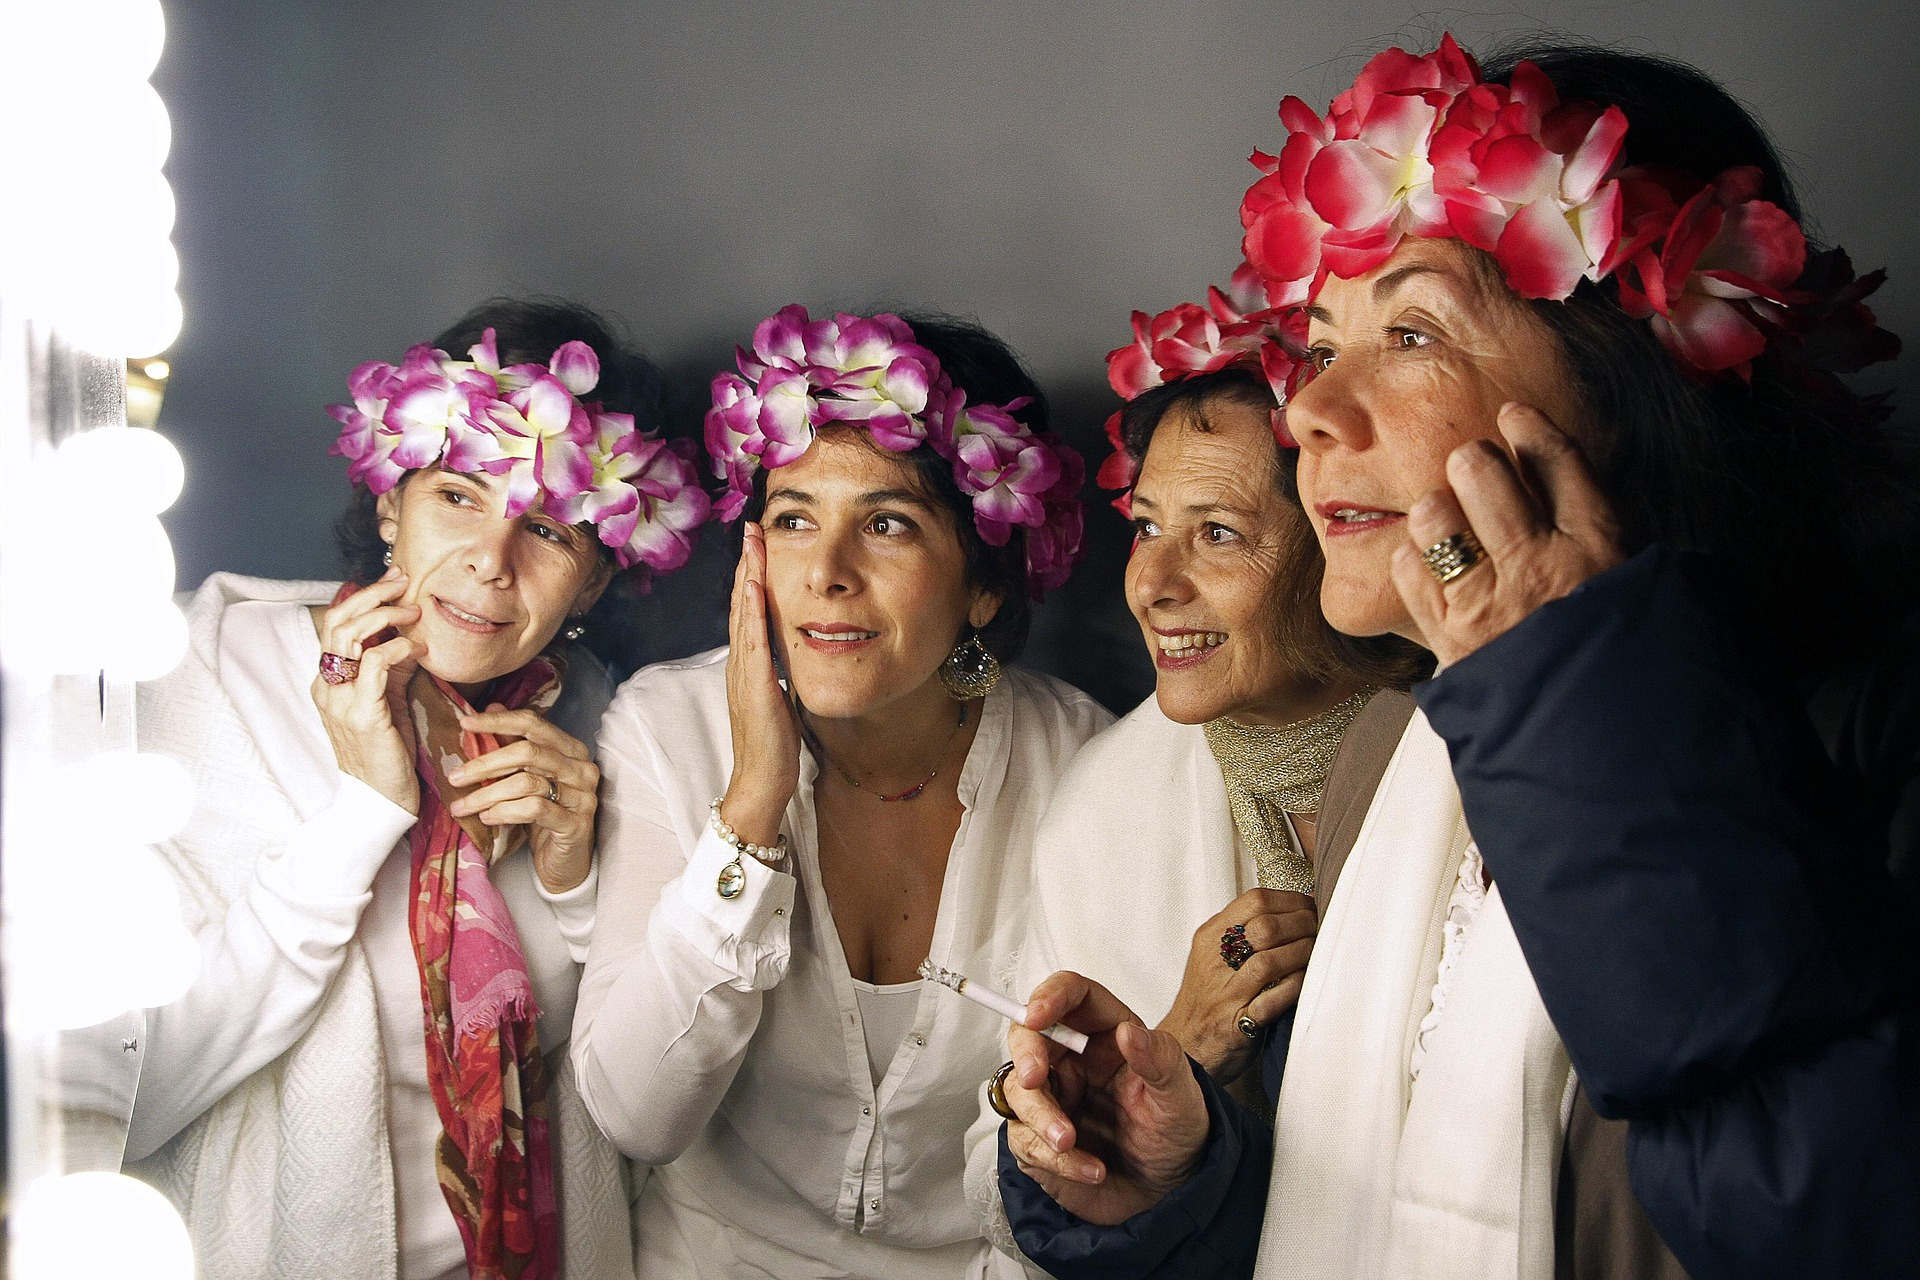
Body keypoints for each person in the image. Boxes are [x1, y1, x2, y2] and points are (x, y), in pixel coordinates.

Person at [994, 37, 1918, 1280]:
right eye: (1324, 345)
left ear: (1631, 391)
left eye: (1416, 331)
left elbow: (1836, 1224)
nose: (1307, 410)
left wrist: (1575, 703)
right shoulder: (1393, 736)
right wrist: (1172, 1178)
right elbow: (1357, 1201)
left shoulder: (1866, 738)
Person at [72, 299, 710, 1280]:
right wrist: (363, 812)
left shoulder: (596, 720)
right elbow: (117, 1105)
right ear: (388, 504)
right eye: (457, 495)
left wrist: (580, 886)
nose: (490, 562)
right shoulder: (208, 679)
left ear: (592, 581)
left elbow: (639, 1092)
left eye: (547, 527)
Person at [571, 307, 1111, 1277]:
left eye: (887, 523)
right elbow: (635, 1115)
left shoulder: (1080, 763)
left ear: (985, 583)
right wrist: (751, 808)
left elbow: (1078, 1139)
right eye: (793, 519)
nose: (826, 573)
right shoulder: (667, 726)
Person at [958, 302, 1431, 1268]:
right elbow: (995, 1186)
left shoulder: (1467, 748)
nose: (1150, 585)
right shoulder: (1106, 805)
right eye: (1146, 527)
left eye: (1218, 533)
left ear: (1342, 532)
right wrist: (1177, 1051)